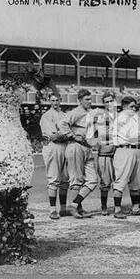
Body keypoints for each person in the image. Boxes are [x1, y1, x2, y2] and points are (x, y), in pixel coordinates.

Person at [111, 96, 140, 219]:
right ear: (124, 107)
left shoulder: (136, 119)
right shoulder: (119, 119)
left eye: (135, 107)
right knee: (121, 180)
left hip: (136, 150)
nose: (134, 109)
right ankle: (117, 209)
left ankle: (136, 208)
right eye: (131, 106)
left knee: (136, 181)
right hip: (124, 149)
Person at [62, 89, 98, 218]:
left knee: (92, 180)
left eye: (90, 99)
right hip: (76, 146)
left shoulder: (90, 113)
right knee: (76, 179)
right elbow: (63, 124)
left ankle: (75, 204)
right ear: (80, 100)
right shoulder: (76, 112)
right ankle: (76, 208)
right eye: (86, 99)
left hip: (87, 148)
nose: (89, 101)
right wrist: (71, 135)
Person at [39, 94, 69, 220]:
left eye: (57, 100)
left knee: (65, 179)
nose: (55, 102)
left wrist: (65, 134)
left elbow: (68, 133)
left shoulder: (64, 115)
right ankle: (52, 210)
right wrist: (65, 134)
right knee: (53, 178)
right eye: (52, 100)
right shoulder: (46, 116)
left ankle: (63, 208)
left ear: (60, 101)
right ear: (49, 101)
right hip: (53, 147)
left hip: (65, 146)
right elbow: (53, 136)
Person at [87, 91, 117, 215]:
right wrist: (96, 145)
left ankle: (118, 206)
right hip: (104, 151)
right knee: (105, 181)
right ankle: (104, 206)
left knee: (119, 180)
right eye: (106, 102)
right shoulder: (99, 115)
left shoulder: (120, 115)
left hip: (119, 151)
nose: (109, 103)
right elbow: (92, 133)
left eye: (111, 101)